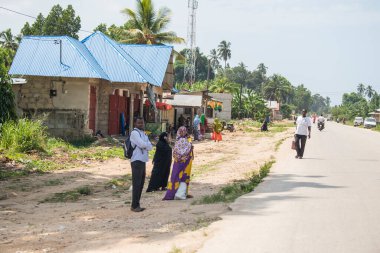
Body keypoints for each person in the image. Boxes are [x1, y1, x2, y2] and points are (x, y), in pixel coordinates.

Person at [163, 127, 194, 200]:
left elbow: (175, 152)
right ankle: (182, 193)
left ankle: (172, 193)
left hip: (177, 163)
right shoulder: (185, 140)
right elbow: (188, 150)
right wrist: (191, 146)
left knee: (175, 177)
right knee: (184, 177)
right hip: (186, 163)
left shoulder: (178, 141)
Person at [130, 117, 153, 212]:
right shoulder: (134, 133)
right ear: (135, 123)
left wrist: (146, 145)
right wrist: (146, 145)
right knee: (137, 184)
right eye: (139, 123)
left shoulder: (143, 133)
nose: (141, 124)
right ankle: (134, 205)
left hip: (142, 160)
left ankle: (137, 204)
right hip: (136, 160)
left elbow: (150, 146)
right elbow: (143, 144)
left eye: (142, 123)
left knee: (141, 183)